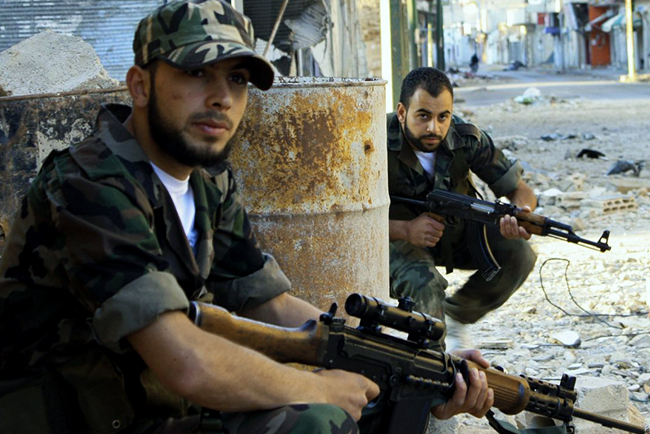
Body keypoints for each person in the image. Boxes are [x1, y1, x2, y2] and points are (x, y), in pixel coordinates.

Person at [0, 3, 493, 433]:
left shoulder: (206, 182)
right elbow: (186, 362)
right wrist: (316, 388)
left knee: (373, 396)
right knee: (318, 418)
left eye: (237, 79)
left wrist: (414, 362)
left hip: (152, 403)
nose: (222, 98)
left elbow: (267, 302)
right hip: (77, 416)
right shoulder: (90, 186)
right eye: (197, 73)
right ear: (140, 85)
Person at [387, 67, 537, 351]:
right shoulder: (374, 142)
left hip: (452, 233)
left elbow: (520, 191)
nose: (434, 128)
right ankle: (433, 362)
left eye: (443, 117)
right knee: (424, 283)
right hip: (395, 238)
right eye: (423, 116)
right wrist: (405, 229)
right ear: (402, 112)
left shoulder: (465, 138)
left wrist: (520, 213)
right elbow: (347, 220)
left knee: (519, 254)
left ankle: (453, 318)